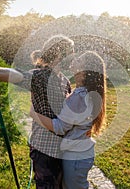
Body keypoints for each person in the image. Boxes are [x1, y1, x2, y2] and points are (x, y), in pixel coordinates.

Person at [0, 35, 75, 189]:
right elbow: (17, 75)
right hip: (44, 150)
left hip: (61, 148)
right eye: (70, 53)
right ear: (58, 54)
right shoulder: (41, 76)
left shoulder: (64, 80)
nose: (72, 58)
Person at [30, 51, 106, 189]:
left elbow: (59, 127)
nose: (74, 59)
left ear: (84, 71)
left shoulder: (79, 97)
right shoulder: (84, 93)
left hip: (76, 158)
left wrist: (34, 114)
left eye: (79, 60)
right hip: (80, 155)